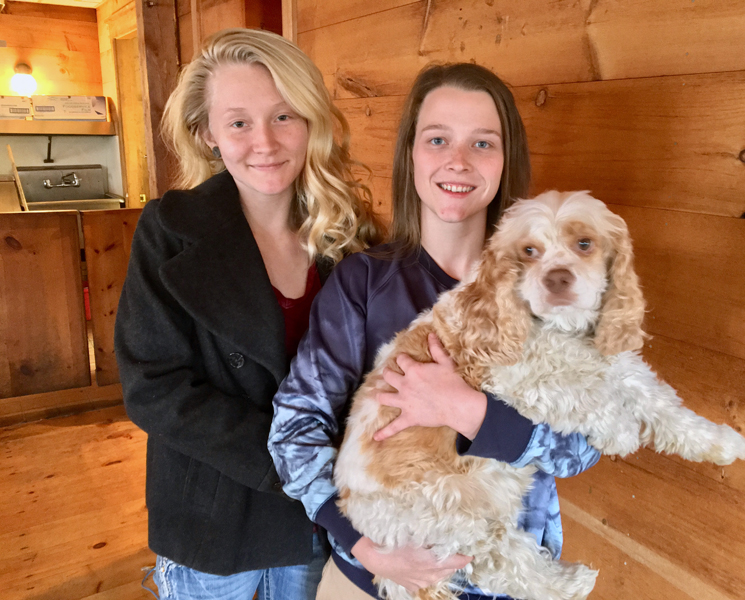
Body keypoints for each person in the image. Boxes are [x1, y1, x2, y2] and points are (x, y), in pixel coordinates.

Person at [268, 62, 601, 600]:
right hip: (372, 581)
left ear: (505, 159)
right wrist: (363, 544)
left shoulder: (547, 289)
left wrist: (467, 411)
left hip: (511, 582)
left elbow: (582, 447)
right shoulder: (364, 282)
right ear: (412, 155)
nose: (458, 161)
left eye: (482, 143)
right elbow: (296, 425)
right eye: (438, 139)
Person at [114, 28, 382, 600]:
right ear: (207, 134)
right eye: (238, 122)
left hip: (319, 520)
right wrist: (295, 459)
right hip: (213, 518)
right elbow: (153, 387)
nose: (264, 141)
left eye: (284, 115)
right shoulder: (169, 230)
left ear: (312, 121)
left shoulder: (350, 234)